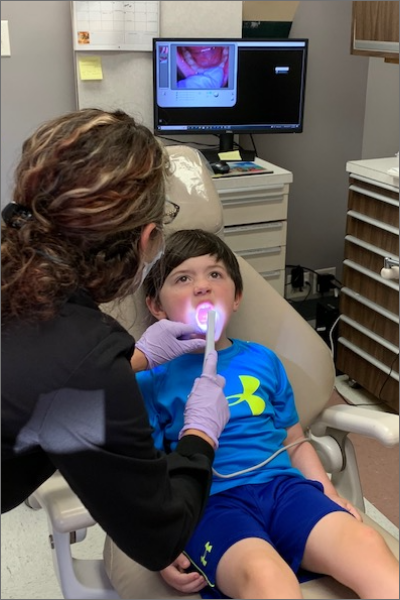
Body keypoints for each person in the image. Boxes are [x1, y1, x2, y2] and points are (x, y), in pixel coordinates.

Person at [1, 108, 230, 572]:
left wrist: (135, 360)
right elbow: (158, 538)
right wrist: (200, 436)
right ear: (146, 239)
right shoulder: (83, 357)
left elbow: (39, 398)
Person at [133, 228, 399, 599]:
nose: (202, 287)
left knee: (366, 543)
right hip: (209, 505)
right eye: (182, 278)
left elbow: (294, 440)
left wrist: (324, 490)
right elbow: (142, 472)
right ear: (157, 307)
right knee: (266, 578)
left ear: (237, 296)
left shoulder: (262, 361)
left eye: (215, 274)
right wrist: (159, 543)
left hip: (284, 490)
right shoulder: (149, 379)